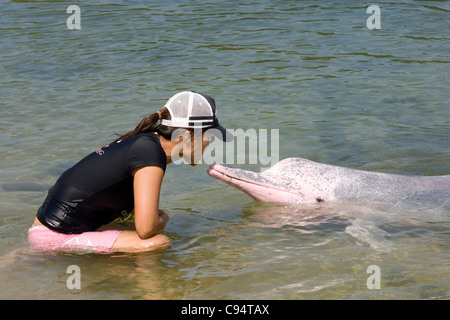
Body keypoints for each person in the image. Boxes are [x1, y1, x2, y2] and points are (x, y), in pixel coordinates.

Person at [28, 91, 233, 253]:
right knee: (156, 243)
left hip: (48, 226)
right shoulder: (150, 155)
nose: (209, 144)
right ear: (187, 136)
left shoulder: (144, 142)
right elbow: (146, 229)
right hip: (53, 236)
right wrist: (164, 217)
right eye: (209, 136)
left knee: (137, 229)